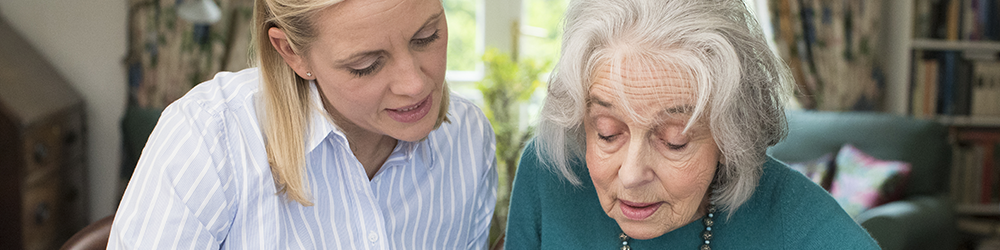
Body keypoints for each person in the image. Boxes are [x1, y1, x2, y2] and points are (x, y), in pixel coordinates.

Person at [108, 0, 497, 249]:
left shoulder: (468, 138)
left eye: (426, 37)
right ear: (292, 53)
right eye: (366, 65)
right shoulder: (209, 139)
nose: (414, 84)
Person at [504, 0, 880, 249]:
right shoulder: (548, 172)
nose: (632, 174)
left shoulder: (792, 216)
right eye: (607, 133)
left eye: (674, 142)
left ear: (731, 138)